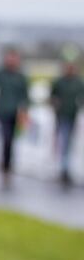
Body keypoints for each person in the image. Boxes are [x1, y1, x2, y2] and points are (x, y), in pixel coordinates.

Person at [0, 48, 30, 185]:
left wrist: (24, 111)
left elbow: (25, 96)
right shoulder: (0, 74)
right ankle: (4, 164)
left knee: (11, 140)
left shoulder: (21, 77)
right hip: (2, 112)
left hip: (16, 114)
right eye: (9, 58)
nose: (11, 60)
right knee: (5, 138)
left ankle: (8, 164)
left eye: (14, 58)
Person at [50, 58, 84, 186]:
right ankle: (62, 168)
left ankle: (66, 168)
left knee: (68, 142)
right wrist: (55, 105)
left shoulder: (78, 83)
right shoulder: (59, 82)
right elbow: (53, 97)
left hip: (73, 116)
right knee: (62, 142)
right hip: (60, 116)